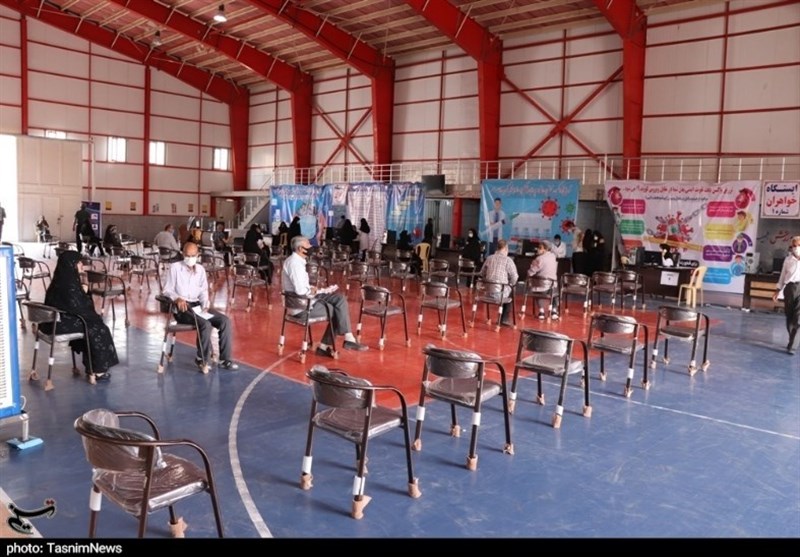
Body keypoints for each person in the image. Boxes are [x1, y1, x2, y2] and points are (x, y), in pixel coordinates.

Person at [282, 235, 368, 356]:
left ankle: (347, 338)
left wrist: (314, 289)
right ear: (301, 248)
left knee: (340, 299)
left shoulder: (298, 262)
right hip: (301, 306)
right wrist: (312, 290)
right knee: (337, 310)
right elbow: (301, 291)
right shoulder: (294, 264)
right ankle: (327, 345)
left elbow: (301, 287)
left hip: (307, 299)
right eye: (308, 244)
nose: (311, 247)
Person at [42, 251, 118, 382]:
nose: (82, 264)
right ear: (72, 265)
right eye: (78, 262)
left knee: (93, 324)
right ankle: (98, 370)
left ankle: (92, 367)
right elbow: (80, 308)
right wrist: (85, 292)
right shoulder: (69, 284)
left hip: (50, 322)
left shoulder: (60, 280)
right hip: (59, 325)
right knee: (99, 328)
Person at [162, 241, 239, 370]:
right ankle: (202, 359)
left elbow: (203, 291)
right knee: (205, 324)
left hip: (197, 306)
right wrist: (177, 298)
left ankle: (225, 360)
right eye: (187, 255)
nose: (190, 258)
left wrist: (205, 306)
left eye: (193, 256)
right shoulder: (175, 268)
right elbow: (167, 290)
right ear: (182, 254)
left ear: (197, 255)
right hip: (182, 308)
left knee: (225, 321)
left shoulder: (200, 270)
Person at [478, 239, 518, 326]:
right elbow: (515, 277)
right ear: (506, 248)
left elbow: (481, 274)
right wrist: (510, 285)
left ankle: (493, 318)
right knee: (512, 290)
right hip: (500, 294)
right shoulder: (508, 260)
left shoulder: (489, 258)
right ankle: (503, 319)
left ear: (497, 248)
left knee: (506, 289)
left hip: (487, 292)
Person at [773, 236, 800, 355]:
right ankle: (792, 338)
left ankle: (793, 346)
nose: (796, 248)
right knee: (789, 317)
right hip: (790, 288)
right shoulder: (788, 260)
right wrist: (777, 290)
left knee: (798, 317)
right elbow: (782, 276)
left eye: (799, 245)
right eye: (794, 245)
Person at [527, 240, 559, 320]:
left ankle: (541, 311)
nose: (537, 249)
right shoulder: (553, 257)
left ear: (545, 249)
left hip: (540, 288)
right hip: (551, 288)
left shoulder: (538, 259)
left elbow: (530, 273)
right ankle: (554, 311)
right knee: (555, 289)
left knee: (536, 288)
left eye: (540, 248)